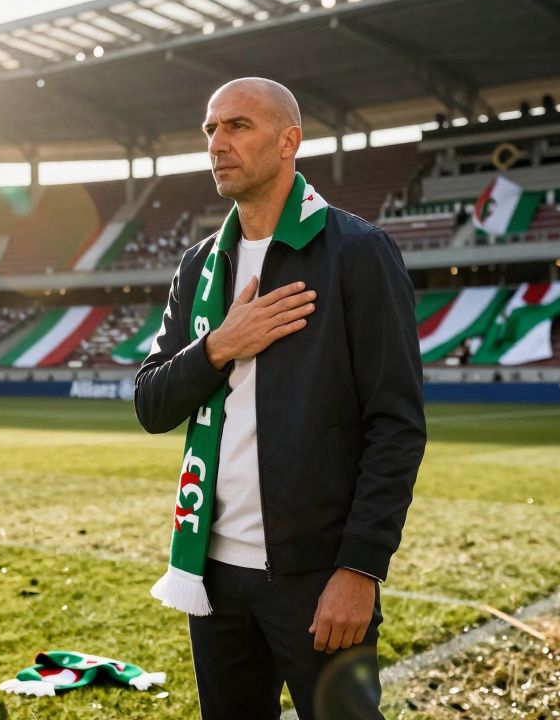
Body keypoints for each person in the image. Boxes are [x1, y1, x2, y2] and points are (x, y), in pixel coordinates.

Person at [133, 77, 426, 720]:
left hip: (317, 575)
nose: (217, 143)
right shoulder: (200, 265)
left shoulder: (357, 252)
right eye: (210, 129)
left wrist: (360, 569)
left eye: (237, 126)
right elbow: (151, 404)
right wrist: (218, 347)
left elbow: (396, 425)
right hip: (210, 569)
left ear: (289, 141)